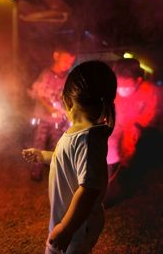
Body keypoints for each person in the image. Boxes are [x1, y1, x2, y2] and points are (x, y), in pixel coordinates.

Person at [23, 60, 117, 253]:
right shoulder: (78, 134)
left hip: (77, 227)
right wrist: (43, 155)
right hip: (68, 221)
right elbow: (64, 159)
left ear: (67, 101)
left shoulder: (87, 140)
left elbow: (89, 190)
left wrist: (66, 229)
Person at [105, 58, 158, 207]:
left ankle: (124, 187)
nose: (121, 89)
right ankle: (109, 186)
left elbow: (150, 113)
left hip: (138, 130)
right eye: (118, 84)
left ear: (138, 80)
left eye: (125, 85)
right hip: (118, 128)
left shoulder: (149, 91)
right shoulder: (113, 90)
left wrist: (138, 125)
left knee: (131, 160)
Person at [27, 46, 76, 180]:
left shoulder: (66, 78)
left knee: (58, 145)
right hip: (43, 117)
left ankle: (56, 173)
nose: (68, 65)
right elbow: (37, 94)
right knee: (39, 144)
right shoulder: (46, 74)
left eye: (71, 63)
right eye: (65, 61)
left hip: (58, 120)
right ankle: (36, 172)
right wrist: (49, 108)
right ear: (56, 56)